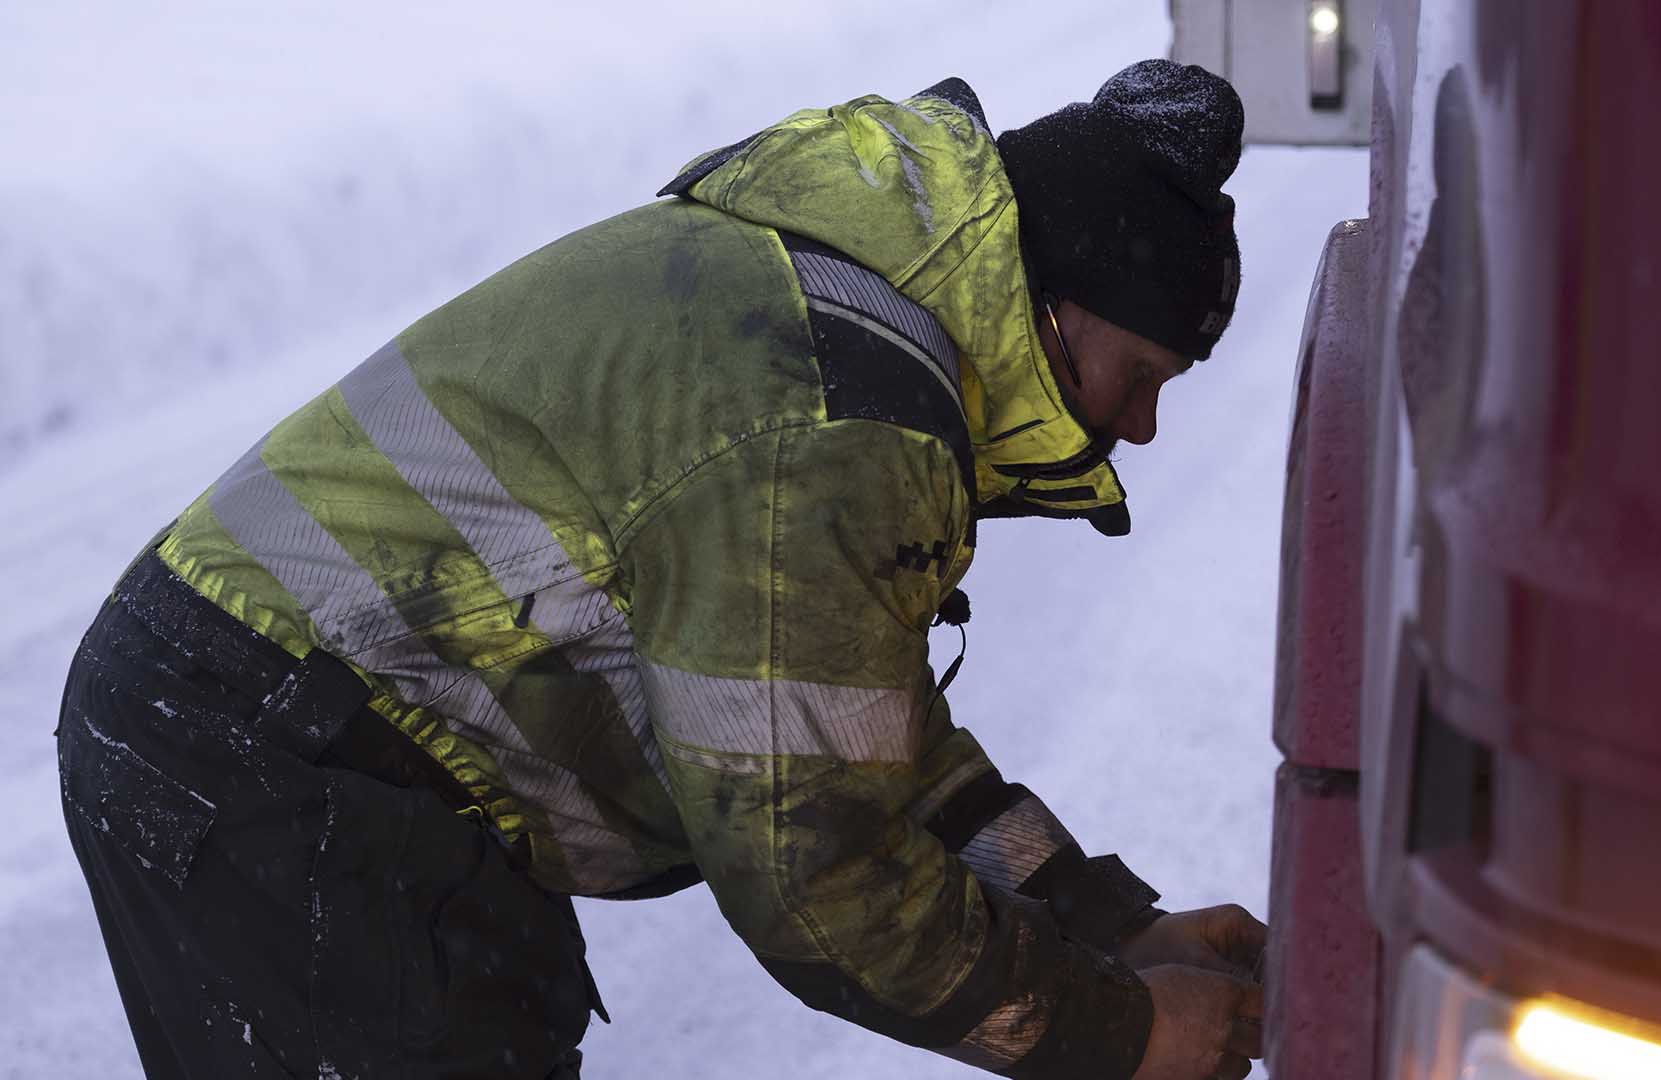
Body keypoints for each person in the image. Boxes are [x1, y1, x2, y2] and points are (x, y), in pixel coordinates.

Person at [56, 59, 1265, 1080]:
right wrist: (1122, 1032)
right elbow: (817, 875)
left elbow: (863, 748)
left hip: (267, 720)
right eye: (1146, 377)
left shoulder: (854, 321)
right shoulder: (835, 423)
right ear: (1057, 307)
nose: (1144, 430)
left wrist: (1113, 926)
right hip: (264, 745)